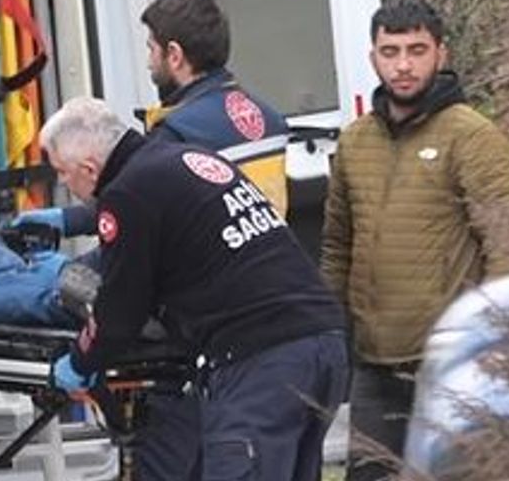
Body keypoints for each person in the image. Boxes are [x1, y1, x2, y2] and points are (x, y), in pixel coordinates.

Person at [15, 0, 293, 480]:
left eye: (150, 48)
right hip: (258, 294)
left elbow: (139, 214)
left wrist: (82, 355)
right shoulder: (261, 116)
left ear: (175, 55)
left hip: (193, 314)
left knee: (54, 282)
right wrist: (70, 221)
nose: (148, 61)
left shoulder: (178, 132)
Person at [41, 97, 348, 481]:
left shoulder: (127, 193)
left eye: (62, 173)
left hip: (261, 359)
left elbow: (120, 311)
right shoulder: (183, 158)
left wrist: (80, 362)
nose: (62, 183)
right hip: (322, 341)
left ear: (88, 168)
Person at [320, 0, 509, 481]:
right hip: (374, 364)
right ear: (373, 57)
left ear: (441, 54)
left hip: (451, 363)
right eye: (390, 51)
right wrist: (327, 331)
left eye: (417, 50)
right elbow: (337, 248)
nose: (403, 65)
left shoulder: (472, 136)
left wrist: (491, 341)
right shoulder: (355, 142)